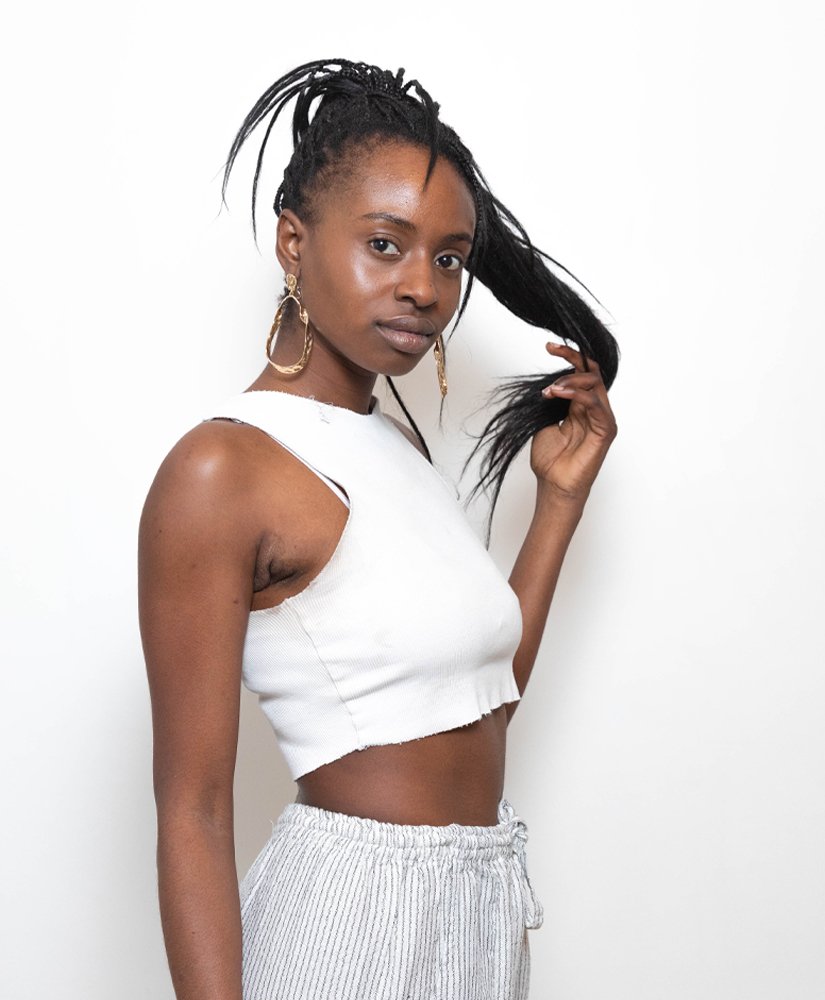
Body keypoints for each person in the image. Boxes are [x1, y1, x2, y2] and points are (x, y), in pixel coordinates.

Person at [138, 58, 619, 1000]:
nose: (423, 288)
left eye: (448, 258)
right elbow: (191, 810)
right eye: (385, 244)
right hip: (351, 918)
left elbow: (476, 702)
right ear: (293, 240)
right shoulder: (221, 469)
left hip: (482, 908)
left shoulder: (395, 448)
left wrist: (558, 503)